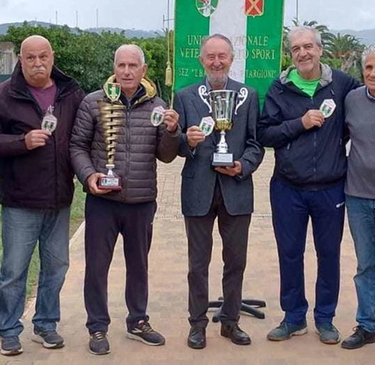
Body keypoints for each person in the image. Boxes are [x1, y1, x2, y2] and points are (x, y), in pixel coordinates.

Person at [70, 44, 180, 355]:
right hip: (103, 201)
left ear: (144, 71)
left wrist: (172, 131)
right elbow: (77, 146)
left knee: (139, 265)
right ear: (114, 68)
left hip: (142, 202)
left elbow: (167, 156)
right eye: (122, 65)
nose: (127, 71)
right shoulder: (94, 102)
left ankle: (138, 320)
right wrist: (89, 176)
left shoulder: (159, 107)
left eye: (133, 66)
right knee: (96, 266)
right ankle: (97, 326)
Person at [258, 26, 359, 345]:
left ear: (320, 49)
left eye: (308, 47)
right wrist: (298, 124)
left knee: (329, 254)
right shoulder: (280, 87)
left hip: (331, 188)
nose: (302, 53)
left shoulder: (342, 84)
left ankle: (325, 318)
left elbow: (361, 110)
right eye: (296, 48)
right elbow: (265, 134)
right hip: (288, 187)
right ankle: (293, 317)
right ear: (291, 54)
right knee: (290, 253)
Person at [173, 34, 264, 349]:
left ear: (231, 58)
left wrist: (242, 165)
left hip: (236, 190)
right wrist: (188, 141)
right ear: (201, 59)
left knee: (235, 261)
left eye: (222, 56)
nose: (216, 62)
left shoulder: (248, 95)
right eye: (210, 56)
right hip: (197, 190)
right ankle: (197, 325)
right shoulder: (184, 96)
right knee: (198, 264)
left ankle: (231, 321)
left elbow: (255, 143)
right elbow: (176, 145)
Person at [0, 35, 84, 356]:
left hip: (60, 199)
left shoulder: (70, 94)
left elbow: (83, 137)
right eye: (30, 58)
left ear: (53, 57)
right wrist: (21, 142)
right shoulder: (5, 95)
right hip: (20, 201)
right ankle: (8, 329)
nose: (38, 63)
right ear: (21, 61)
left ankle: (46, 324)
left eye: (43, 57)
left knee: (57, 266)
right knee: (13, 271)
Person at [341, 45, 375, 350]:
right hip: (359, 196)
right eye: (369, 68)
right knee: (366, 264)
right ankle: (367, 324)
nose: (374, 74)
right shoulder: (352, 100)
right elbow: (341, 136)